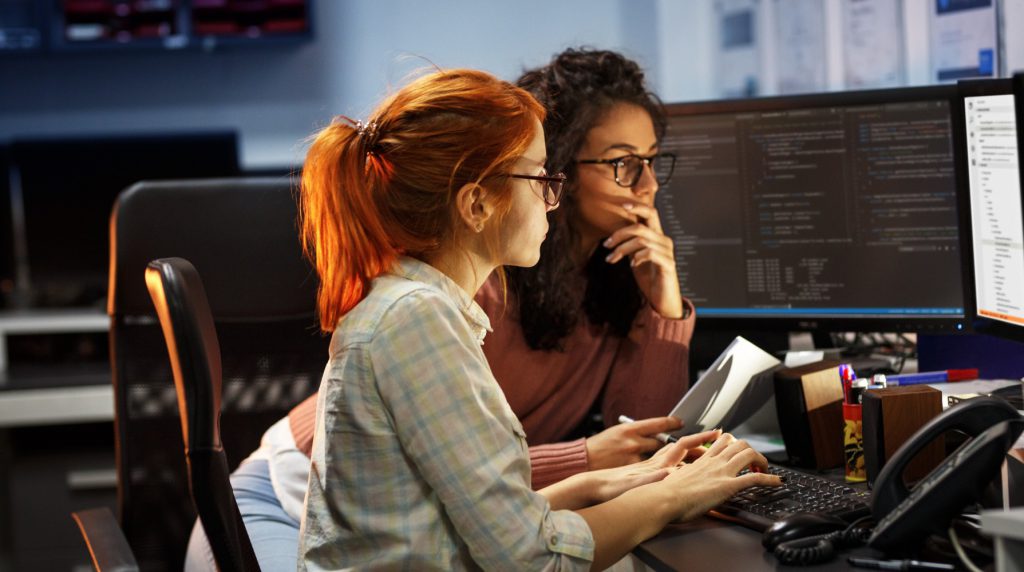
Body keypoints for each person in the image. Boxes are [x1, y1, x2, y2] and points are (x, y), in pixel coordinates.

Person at [184, 48, 702, 571]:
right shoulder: (437, 306)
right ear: (479, 204)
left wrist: (663, 307)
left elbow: (641, 435)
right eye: (621, 164)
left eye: (651, 161)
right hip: (278, 499)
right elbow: (505, 529)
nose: (649, 185)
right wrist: (607, 473)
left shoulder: (453, 293)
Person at [293, 67, 778, 570]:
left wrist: (616, 481)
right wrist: (675, 497)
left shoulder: (420, 307)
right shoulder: (419, 320)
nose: (553, 198)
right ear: (477, 204)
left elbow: (462, 516)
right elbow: (532, 558)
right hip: (279, 485)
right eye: (542, 177)